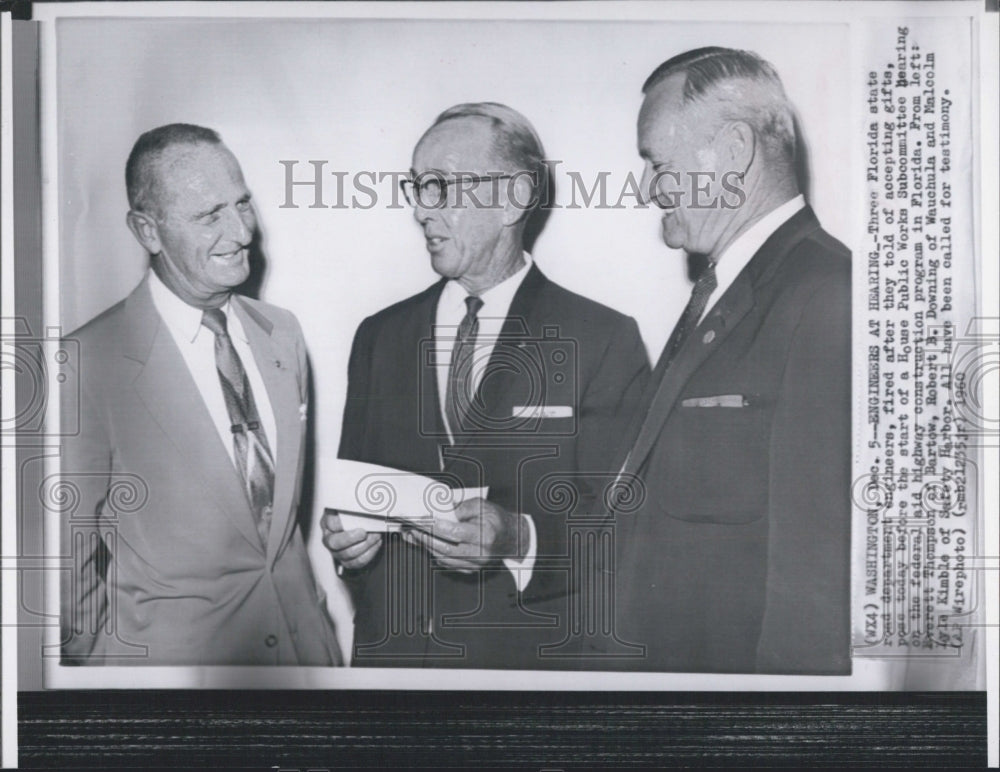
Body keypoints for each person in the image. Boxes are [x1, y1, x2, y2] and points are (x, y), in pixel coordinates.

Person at [323, 103, 649, 668]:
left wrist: (519, 539)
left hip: (525, 671)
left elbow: (626, 528)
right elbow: (355, 494)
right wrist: (349, 547)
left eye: (441, 187)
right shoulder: (378, 336)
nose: (421, 210)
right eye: (416, 188)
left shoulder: (602, 338)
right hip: (393, 667)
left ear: (515, 197)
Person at [598, 48, 852, 673]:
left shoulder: (828, 294)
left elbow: (813, 596)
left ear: (735, 150)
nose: (649, 188)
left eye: (659, 163)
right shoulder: (727, 292)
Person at [60, 123, 342, 666]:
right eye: (210, 215)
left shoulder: (281, 332)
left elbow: (280, 530)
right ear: (148, 232)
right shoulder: (86, 363)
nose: (241, 232)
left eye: (242, 204)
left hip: (306, 666)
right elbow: (66, 575)